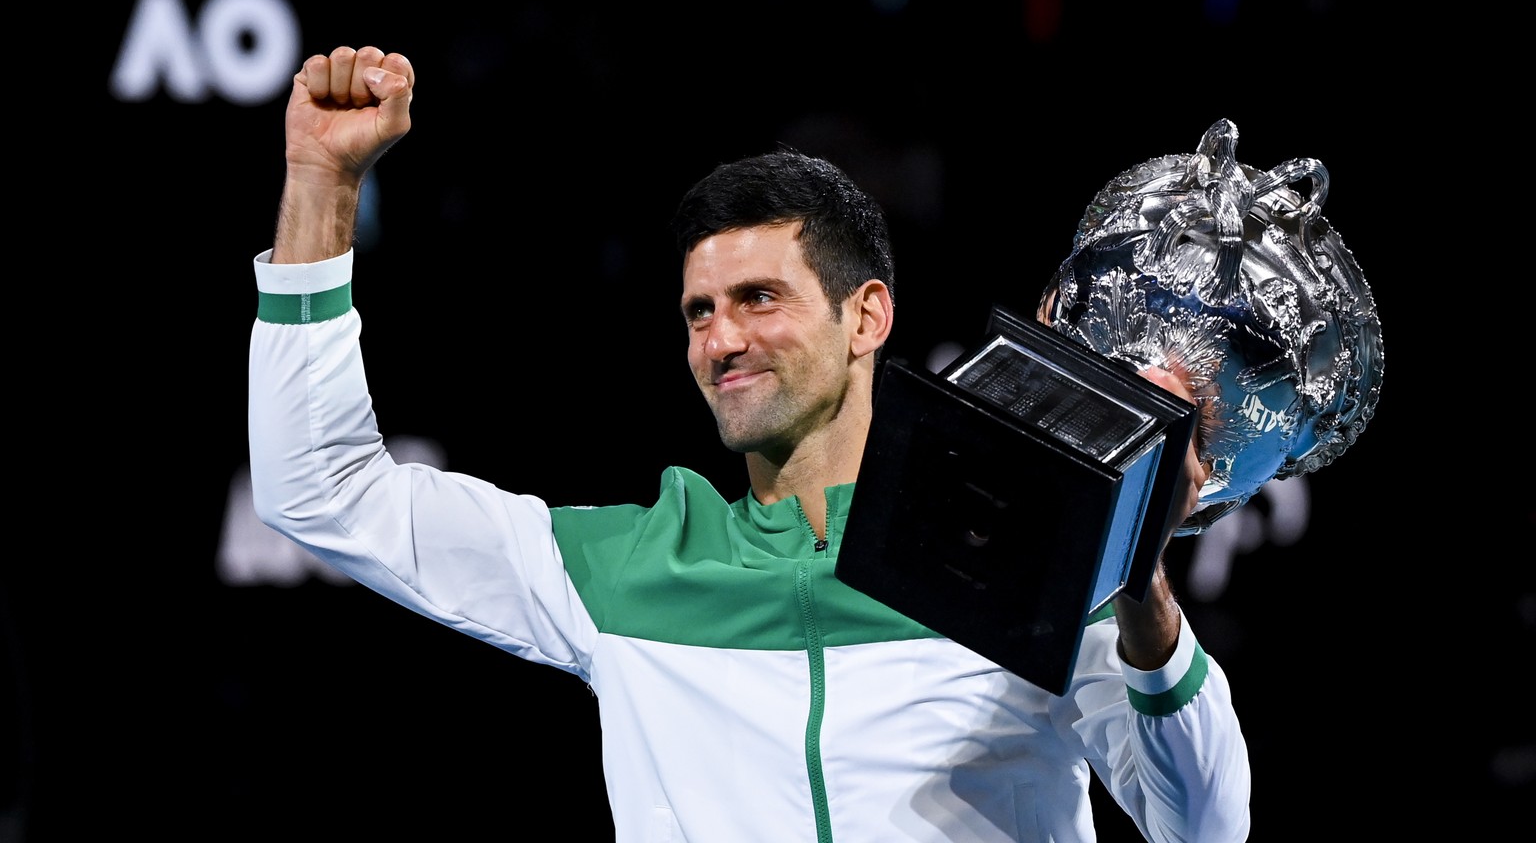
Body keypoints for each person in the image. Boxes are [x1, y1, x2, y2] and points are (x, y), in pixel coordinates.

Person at [248, 45, 1251, 843]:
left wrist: (1141, 589)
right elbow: (320, 491)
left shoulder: (1028, 559)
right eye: (699, 312)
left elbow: (1203, 825)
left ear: (867, 318)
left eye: (759, 299)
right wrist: (319, 181)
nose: (721, 340)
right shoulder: (619, 574)